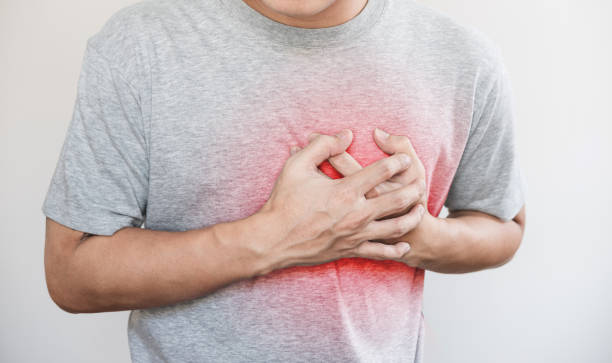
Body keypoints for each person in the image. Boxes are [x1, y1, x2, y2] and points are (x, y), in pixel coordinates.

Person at [41, 0, 527, 361]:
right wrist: (272, 239)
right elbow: (72, 276)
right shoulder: (138, 46)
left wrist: (412, 234)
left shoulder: (464, 59)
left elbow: (503, 227)